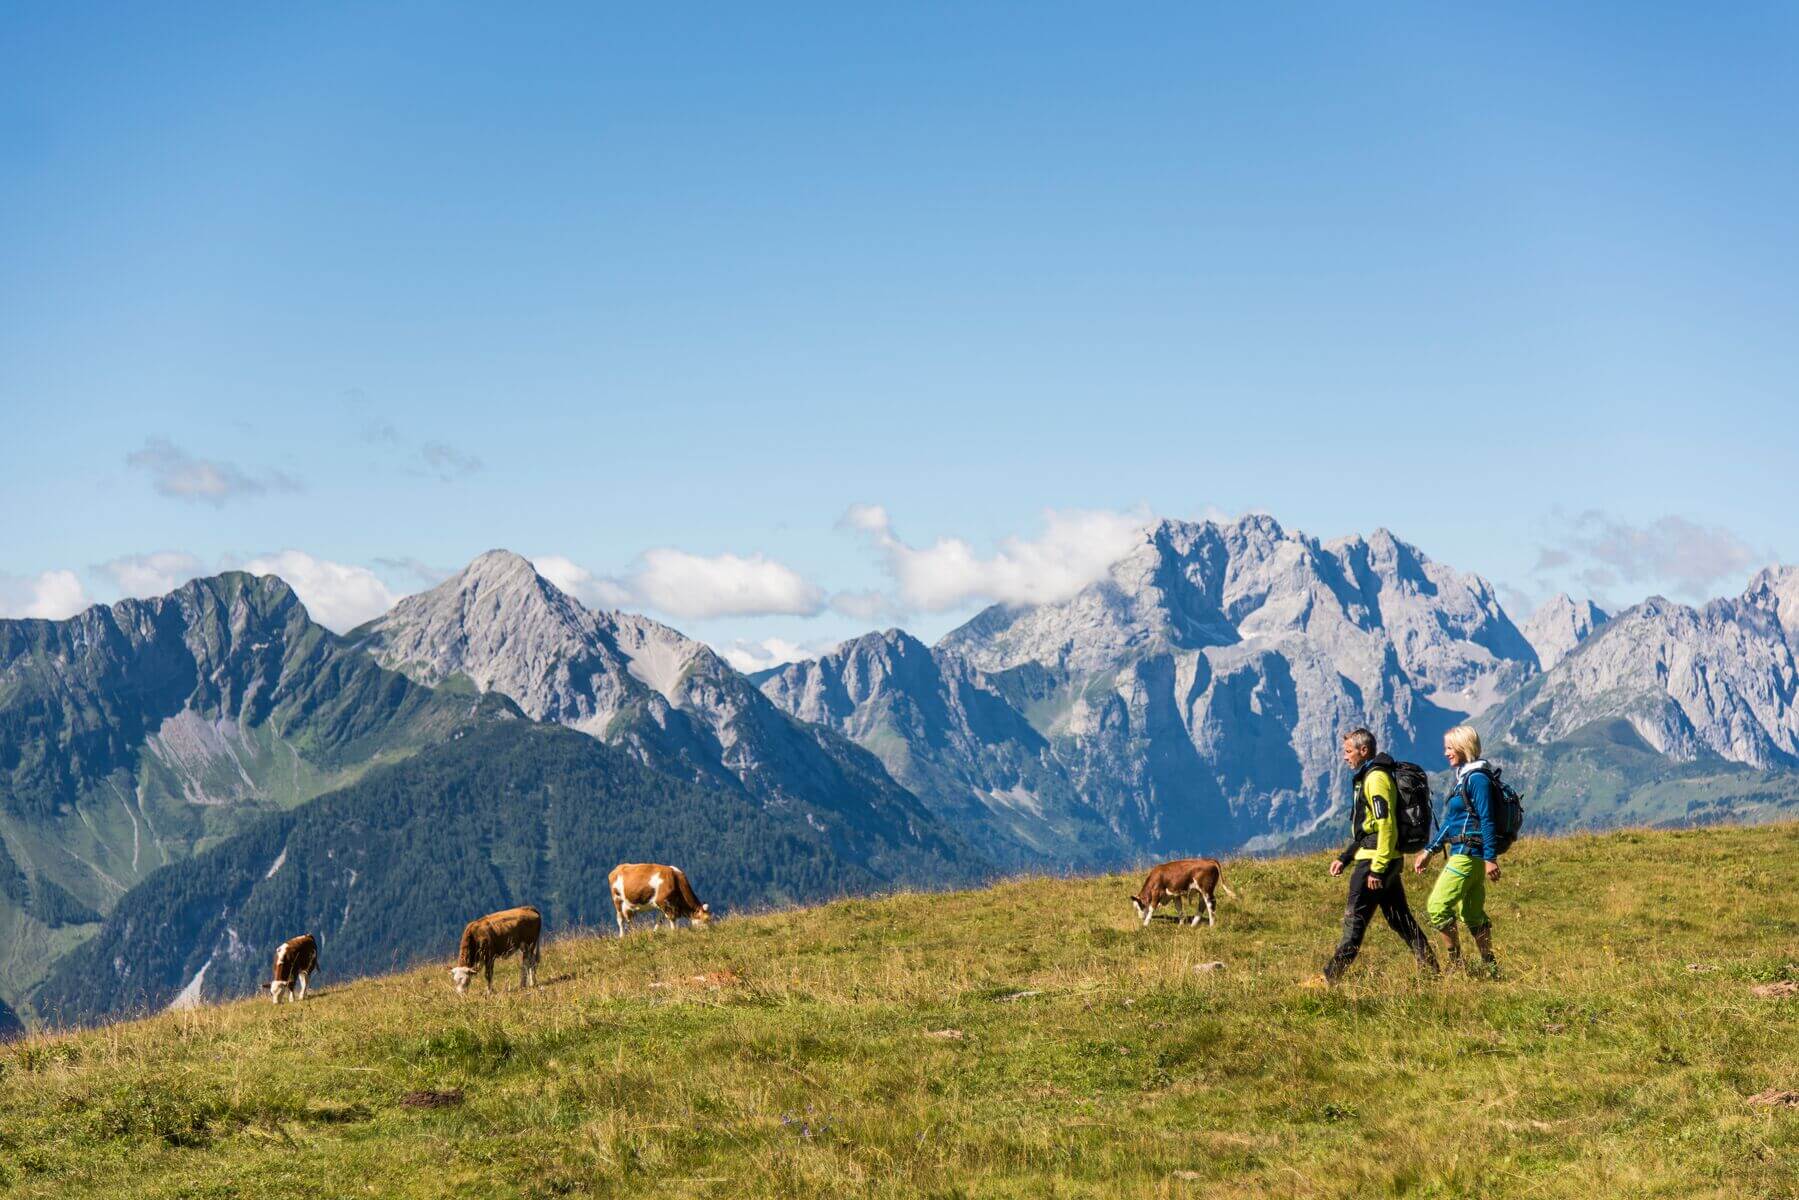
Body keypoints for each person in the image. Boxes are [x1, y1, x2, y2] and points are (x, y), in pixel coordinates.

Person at [1309, 727, 1439, 986]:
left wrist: (1377, 870)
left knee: (1354, 923)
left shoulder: (1375, 779)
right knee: (1400, 919)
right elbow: (1366, 829)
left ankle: (1328, 978)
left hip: (1375, 863)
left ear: (1363, 750)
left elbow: (1386, 824)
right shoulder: (1369, 776)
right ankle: (1432, 972)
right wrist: (1345, 858)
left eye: (1348, 751)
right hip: (1382, 858)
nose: (1345, 757)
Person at [1413, 724, 1500, 976]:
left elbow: (1487, 818)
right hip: (1468, 855)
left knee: (1438, 907)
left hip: (1468, 855)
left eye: (1450, 747)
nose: (1446, 752)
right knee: (1471, 912)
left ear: (1463, 747)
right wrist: (1429, 851)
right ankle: (1491, 966)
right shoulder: (1466, 777)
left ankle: (1456, 962)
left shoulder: (1477, 779)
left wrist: (1490, 858)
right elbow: (1451, 823)